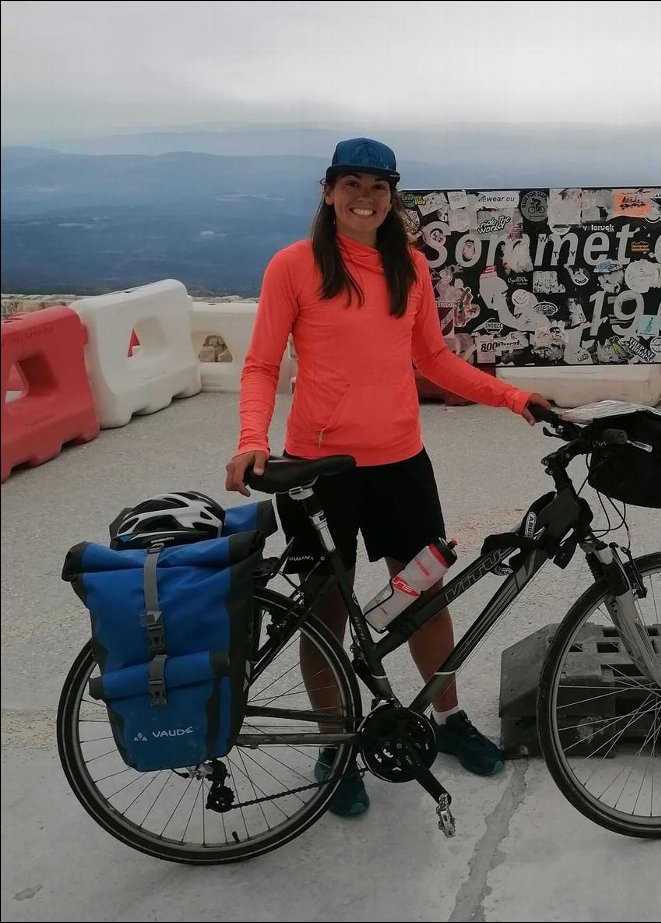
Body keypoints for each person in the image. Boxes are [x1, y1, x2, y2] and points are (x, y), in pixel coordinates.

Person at [225, 137, 550, 817]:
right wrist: (252, 440)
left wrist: (514, 397)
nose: (365, 197)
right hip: (319, 472)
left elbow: (435, 358)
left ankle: (446, 715)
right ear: (328, 191)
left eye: (378, 186)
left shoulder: (408, 266)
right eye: (352, 184)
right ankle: (336, 744)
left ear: (392, 195)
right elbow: (260, 365)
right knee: (326, 613)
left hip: (401, 461)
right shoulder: (294, 267)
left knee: (422, 595)